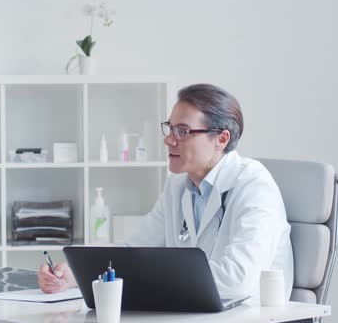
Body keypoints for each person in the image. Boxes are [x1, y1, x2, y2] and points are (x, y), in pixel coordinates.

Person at [39, 84, 294, 300]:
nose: (169, 140)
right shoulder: (177, 186)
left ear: (221, 139)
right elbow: (132, 252)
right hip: (191, 316)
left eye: (182, 132)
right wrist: (74, 276)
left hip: (248, 319)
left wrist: (150, 276)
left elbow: (238, 280)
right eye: (170, 128)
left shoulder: (254, 186)